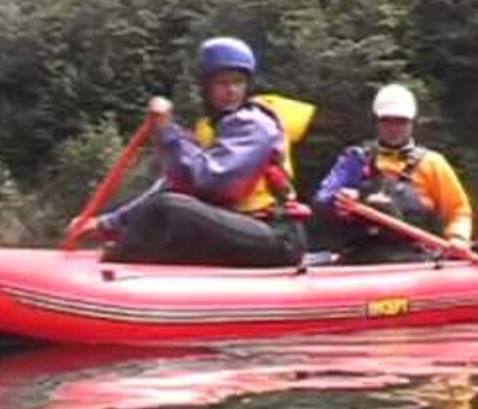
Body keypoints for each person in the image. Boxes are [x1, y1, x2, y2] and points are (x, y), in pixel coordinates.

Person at [70, 37, 315, 267]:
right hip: (237, 227)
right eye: (222, 83)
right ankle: (120, 262)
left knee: (168, 208)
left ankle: (113, 268)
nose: (231, 90)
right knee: (165, 206)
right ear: (205, 87)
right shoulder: (211, 128)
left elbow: (214, 184)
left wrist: (167, 131)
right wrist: (106, 224)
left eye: (238, 82)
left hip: (275, 235)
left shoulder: (254, 124)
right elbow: (172, 185)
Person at [313, 83, 474, 264]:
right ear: (377, 122)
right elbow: (323, 200)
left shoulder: (432, 163)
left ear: (411, 123)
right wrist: (341, 199)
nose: (393, 128)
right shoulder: (356, 159)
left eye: (400, 121)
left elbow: (458, 210)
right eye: (387, 121)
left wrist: (458, 237)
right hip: (360, 256)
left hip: (415, 257)